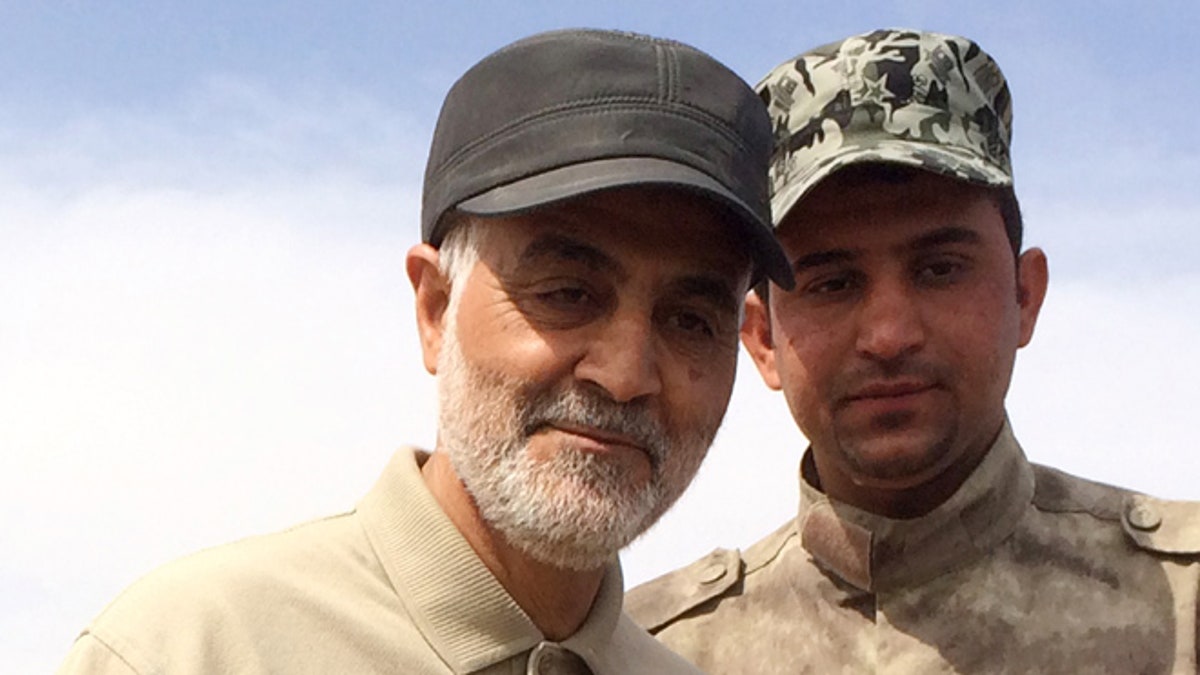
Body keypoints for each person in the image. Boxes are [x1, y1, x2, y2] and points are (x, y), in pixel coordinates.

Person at [58, 28, 794, 675]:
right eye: (567, 293)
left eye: (690, 320)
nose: (627, 372)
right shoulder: (188, 651)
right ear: (435, 307)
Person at [627, 28, 1200, 673]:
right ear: (762, 339)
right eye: (833, 283)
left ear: (1025, 296)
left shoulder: (1183, 610)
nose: (888, 336)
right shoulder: (657, 656)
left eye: (940, 270)